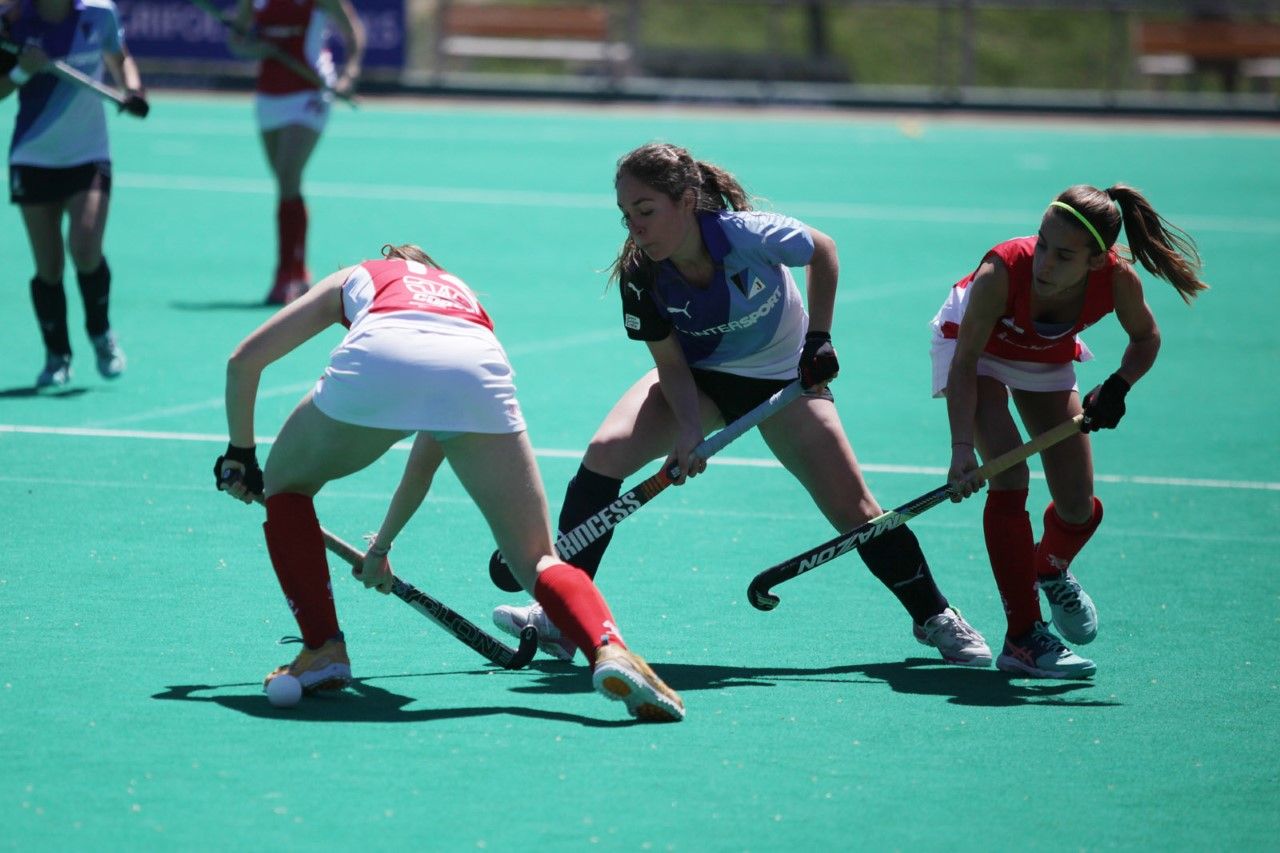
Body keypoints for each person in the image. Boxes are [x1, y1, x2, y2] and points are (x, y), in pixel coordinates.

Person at [492, 142, 991, 669]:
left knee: (855, 508)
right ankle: (563, 618)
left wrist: (818, 339)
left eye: (645, 212)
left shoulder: (746, 235)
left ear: (686, 200)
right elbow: (672, 365)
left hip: (783, 380)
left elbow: (822, 250)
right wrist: (688, 430)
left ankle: (934, 614)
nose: (635, 228)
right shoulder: (644, 276)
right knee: (606, 451)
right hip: (702, 378)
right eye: (626, 216)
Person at [214, 243, 684, 723]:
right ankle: (609, 647)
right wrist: (380, 550)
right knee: (536, 558)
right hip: (476, 366)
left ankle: (323, 649)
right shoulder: (461, 298)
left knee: (287, 488)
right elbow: (427, 457)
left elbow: (243, 361)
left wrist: (241, 455)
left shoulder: (356, 276)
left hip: (379, 357)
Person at [931, 183, 1208, 679]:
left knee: (1079, 507)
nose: (1044, 262)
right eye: (1042, 244)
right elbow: (967, 360)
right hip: (979, 356)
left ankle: (1050, 568)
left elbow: (1146, 337)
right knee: (1010, 475)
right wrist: (961, 450)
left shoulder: (1117, 281)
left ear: (1096, 262)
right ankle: (1022, 638)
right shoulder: (1001, 271)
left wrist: (1119, 386)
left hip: (1044, 357)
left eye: (1063, 255)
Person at [1, 0, 147, 389]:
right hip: (32, 155)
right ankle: (57, 355)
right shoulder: (13, 20)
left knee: (84, 248)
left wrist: (131, 89)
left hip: (89, 155)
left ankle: (100, 334)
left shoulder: (99, 13)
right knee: (49, 266)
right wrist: (21, 70)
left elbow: (120, 58)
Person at [227, 0, 363, 305]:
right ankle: (299, 270)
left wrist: (349, 74)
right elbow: (237, 41)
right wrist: (257, 49)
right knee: (285, 184)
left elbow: (353, 33)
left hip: (311, 91)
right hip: (269, 95)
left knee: (289, 175)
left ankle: (285, 275)